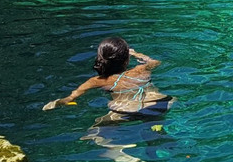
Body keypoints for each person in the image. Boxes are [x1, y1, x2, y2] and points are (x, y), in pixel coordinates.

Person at [43, 37, 172, 121]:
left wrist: (57, 103)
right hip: (160, 103)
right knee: (153, 126)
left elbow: (71, 98)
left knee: (98, 130)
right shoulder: (141, 69)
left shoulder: (97, 80)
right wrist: (136, 54)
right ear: (126, 60)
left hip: (128, 110)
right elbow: (155, 62)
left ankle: (117, 150)